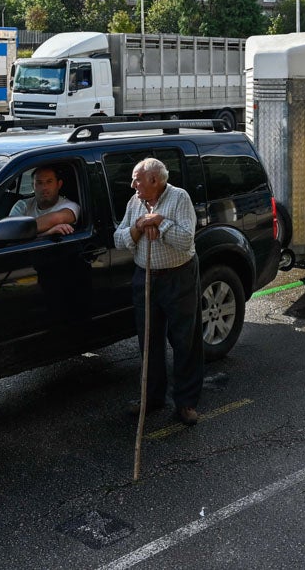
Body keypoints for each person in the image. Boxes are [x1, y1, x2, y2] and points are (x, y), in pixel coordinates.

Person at [113, 157, 202, 426]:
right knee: (149, 341)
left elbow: (186, 240)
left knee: (185, 341)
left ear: (154, 180)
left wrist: (160, 223)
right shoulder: (135, 202)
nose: (132, 184)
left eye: (136, 179)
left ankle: (185, 403)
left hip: (179, 276)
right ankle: (152, 398)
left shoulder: (179, 198)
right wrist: (139, 227)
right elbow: (118, 240)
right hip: (146, 277)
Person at [10, 166, 80, 237]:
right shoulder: (22, 205)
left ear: (59, 184)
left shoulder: (71, 207)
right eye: (39, 183)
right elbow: (11, 232)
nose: (44, 187)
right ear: (33, 186)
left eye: (49, 182)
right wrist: (47, 233)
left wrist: (21, 231)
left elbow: (55, 219)